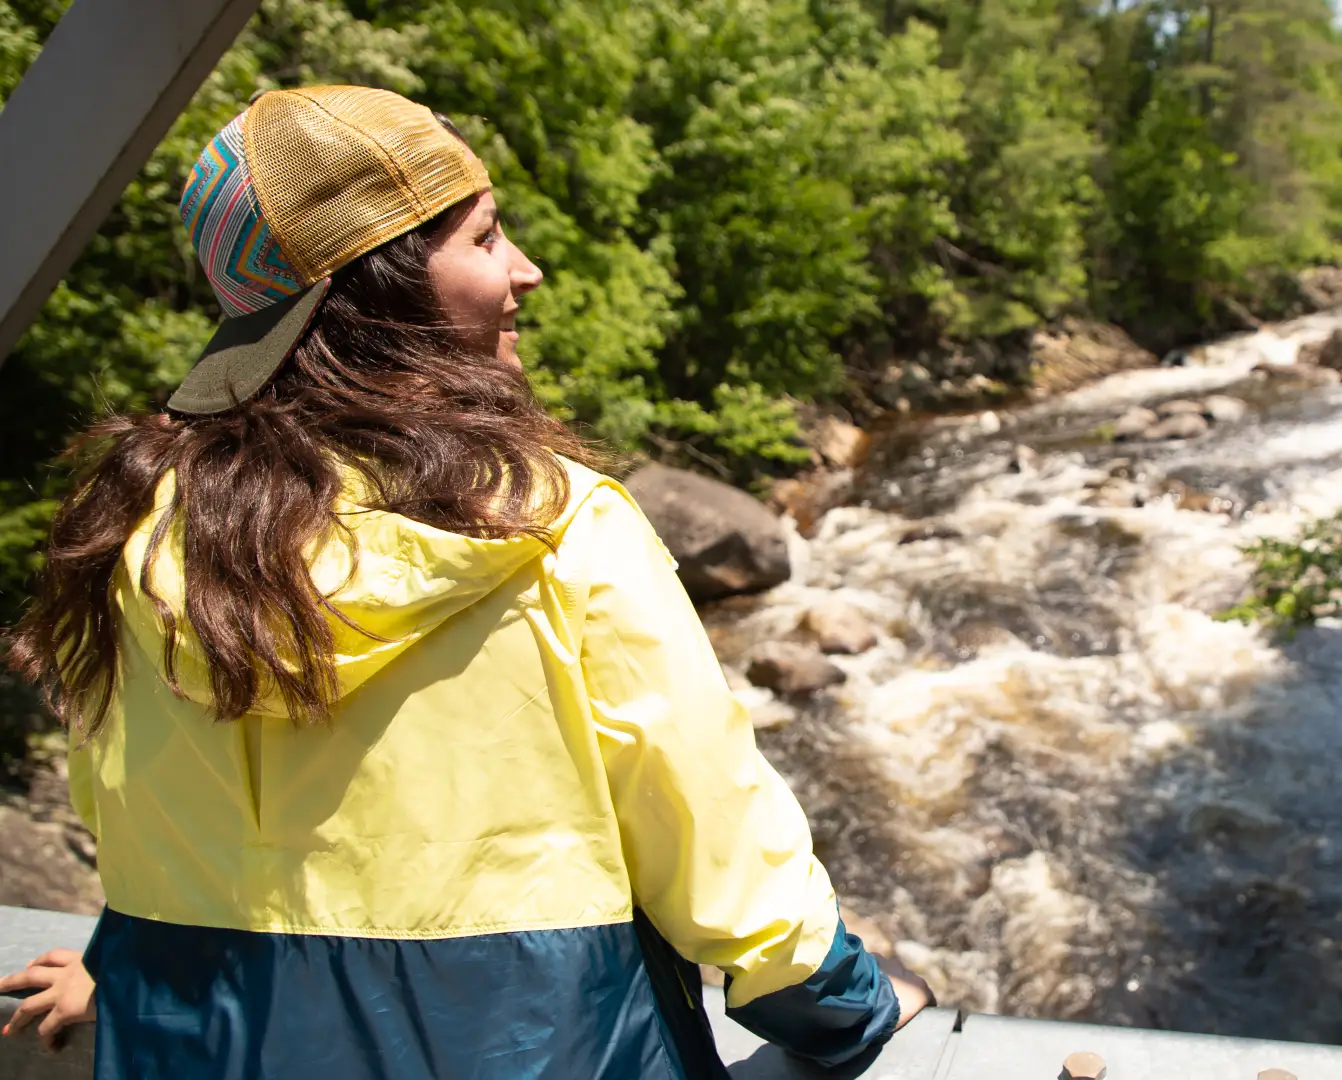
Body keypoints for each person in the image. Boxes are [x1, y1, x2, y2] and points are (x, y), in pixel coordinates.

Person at [0, 84, 930, 1078]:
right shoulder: (561, 530)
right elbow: (729, 871)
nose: (524, 270)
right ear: (383, 284)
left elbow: (146, 822)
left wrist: (124, 966)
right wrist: (857, 1010)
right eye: (485, 239)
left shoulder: (137, 528)